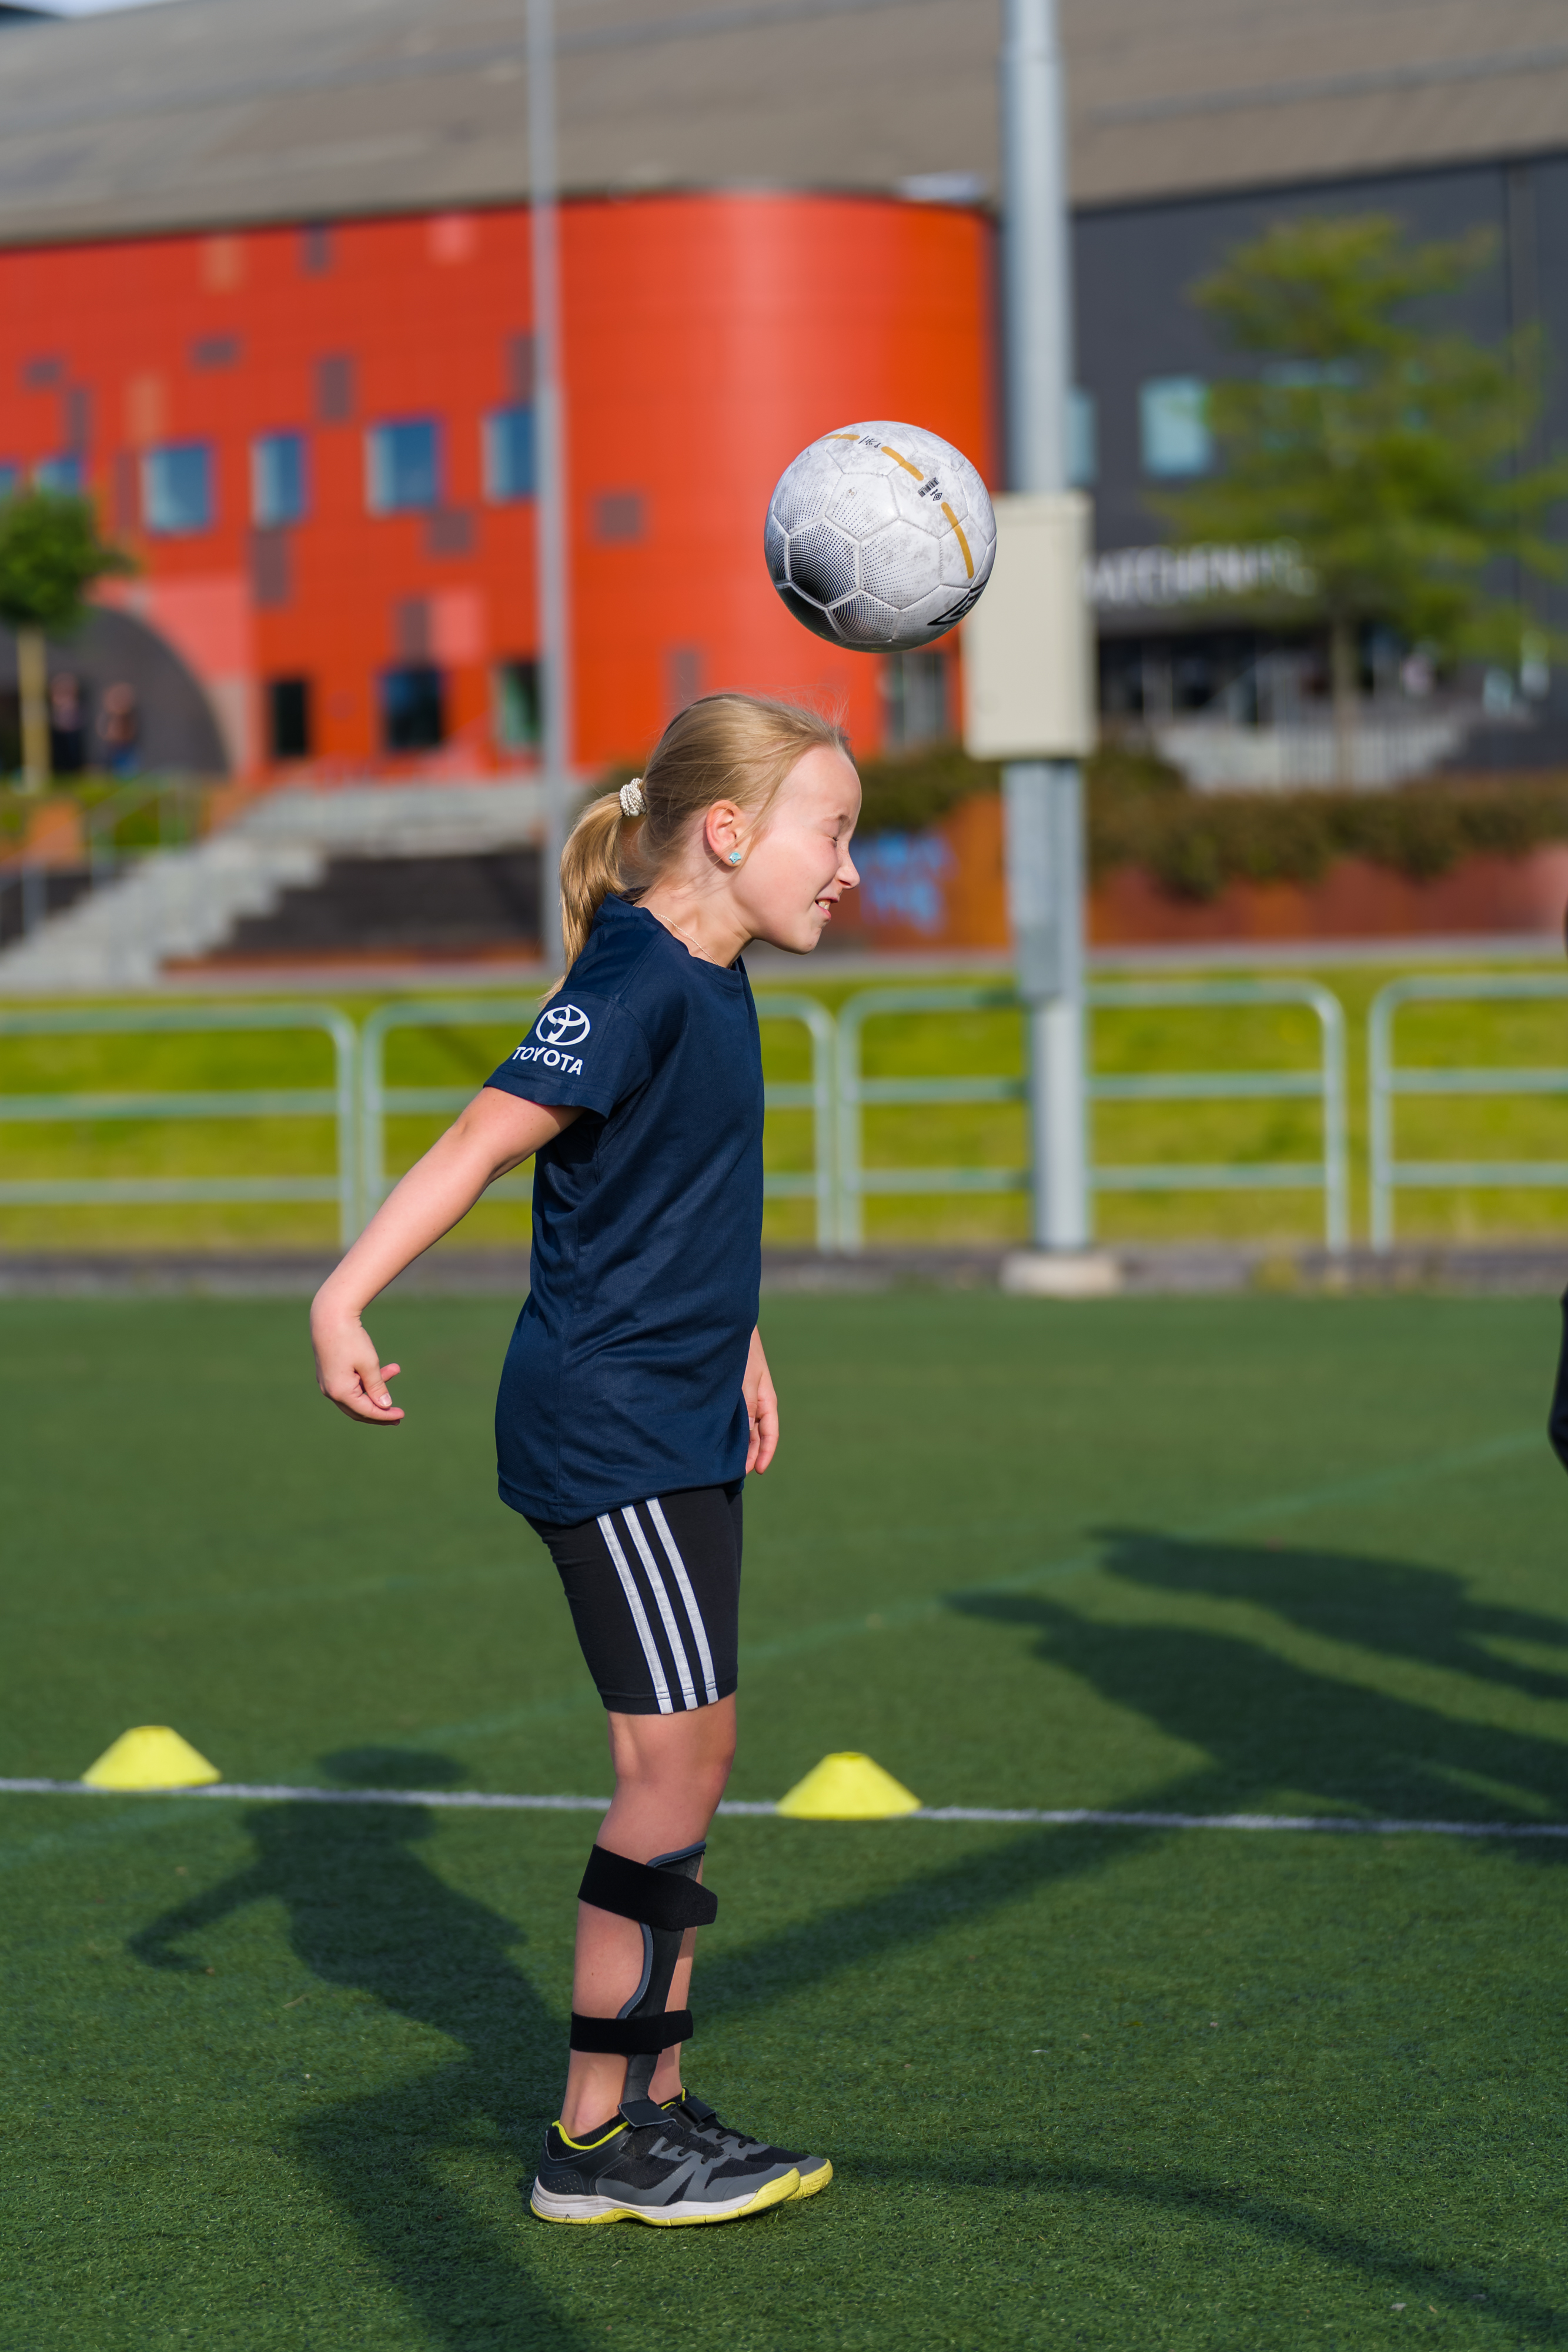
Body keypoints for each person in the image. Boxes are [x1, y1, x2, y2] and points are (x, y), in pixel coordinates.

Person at [310, 693, 861, 2227]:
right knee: (665, 1764)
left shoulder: (710, 967)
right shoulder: (631, 976)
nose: (849, 872)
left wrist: (736, 1333)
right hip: (607, 1425)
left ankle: (655, 2108)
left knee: (694, 1757)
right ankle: (596, 2141)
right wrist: (342, 1295)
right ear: (728, 833)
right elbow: (483, 1141)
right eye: (832, 832)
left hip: (677, 1407)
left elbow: (665, 1191)